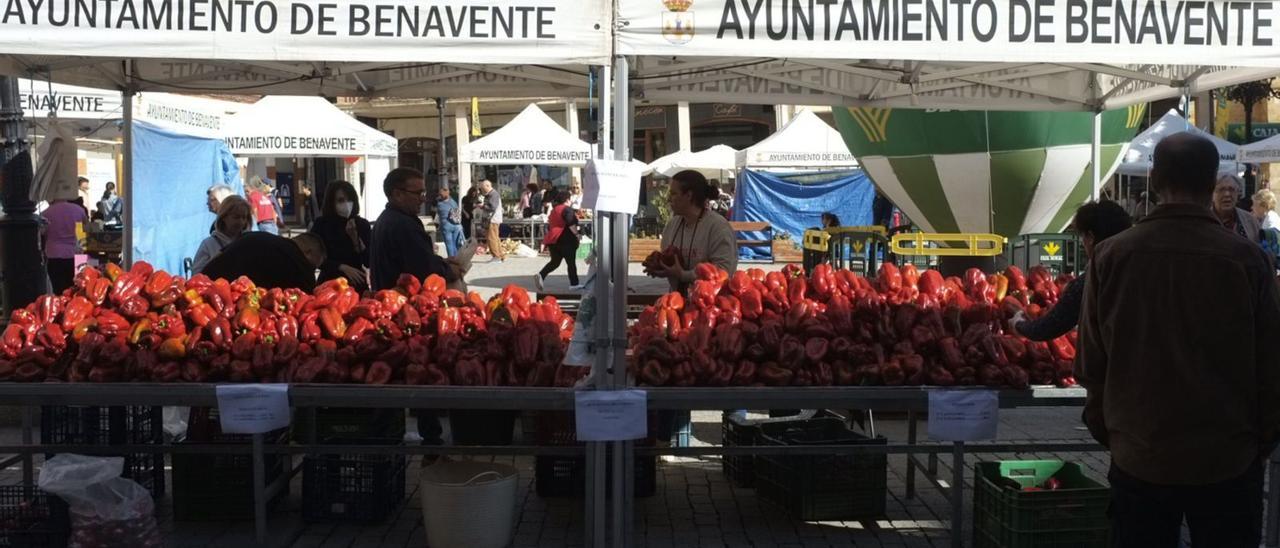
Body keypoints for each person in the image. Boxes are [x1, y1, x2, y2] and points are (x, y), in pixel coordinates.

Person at [1076, 132, 1280, 547]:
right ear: (1212, 184)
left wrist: (1111, 429)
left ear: (1153, 180)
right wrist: (1261, 438)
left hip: (1140, 450)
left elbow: (1091, 363)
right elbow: (1272, 363)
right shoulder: (1250, 261)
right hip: (1228, 454)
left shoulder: (1111, 256)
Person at [370, 167, 464, 449]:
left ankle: (398, 432)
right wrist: (447, 268)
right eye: (417, 192)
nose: (422, 198)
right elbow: (423, 267)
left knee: (400, 373)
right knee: (417, 371)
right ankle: (429, 439)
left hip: (393, 306)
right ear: (397, 194)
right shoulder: (402, 224)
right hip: (407, 310)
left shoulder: (388, 220)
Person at [1009, 201, 1131, 341]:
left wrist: (1018, 323)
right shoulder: (1141, 271)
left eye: (1083, 237)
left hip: (1111, 361)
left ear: (1090, 238)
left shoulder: (1091, 281)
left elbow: (1047, 328)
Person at [652, 170, 738, 293]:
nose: (669, 199)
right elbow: (668, 261)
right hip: (676, 303)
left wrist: (684, 275)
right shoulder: (672, 225)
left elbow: (723, 272)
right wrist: (660, 268)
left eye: (673, 193)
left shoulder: (718, 227)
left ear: (689, 195)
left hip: (709, 306)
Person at [202, 232, 326, 291]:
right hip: (225, 304)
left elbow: (219, 255)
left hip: (202, 286)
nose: (312, 269)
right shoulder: (301, 266)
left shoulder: (256, 235)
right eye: (314, 266)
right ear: (308, 252)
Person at [307, 180, 371, 293]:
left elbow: (369, 260)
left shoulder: (362, 224)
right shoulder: (322, 224)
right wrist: (340, 267)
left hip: (356, 283)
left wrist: (355, 238)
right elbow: (313, 257)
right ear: (332, 202)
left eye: (349, 200)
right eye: (341, 200)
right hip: (329, 284)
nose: (346, 204)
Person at [534, 189, 581, 291]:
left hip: (553, 240)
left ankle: (541, 274)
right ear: (567, 199)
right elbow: (570, 223)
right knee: (571, 263)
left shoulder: (554, 210)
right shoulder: (567, 209)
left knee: (555, 262)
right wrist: (577, 235)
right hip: (566, 240)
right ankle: (574, 284)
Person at [192, 195, 252, 274]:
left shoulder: (249, 242)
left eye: (244, 217)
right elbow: (197, 275)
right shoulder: (208, 244)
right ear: (224, 217)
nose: (241, 222)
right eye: (236, 217)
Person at [41, 197, 88, 293]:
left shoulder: (45, 213)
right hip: (77, 253)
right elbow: (84, 231)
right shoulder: (79, 209)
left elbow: (42, 234)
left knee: (58, 289)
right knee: (79, 288)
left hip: (54, 254)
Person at [1213, 174, 1260, 243]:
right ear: (1212, 194)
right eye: (1221, 189)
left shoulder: (1251, 221)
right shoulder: (1204, 219)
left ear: (1238, 194)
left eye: (1231, 189)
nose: (1227, 194)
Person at [477, 179, 506, 261]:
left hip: (493, 219)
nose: (482, 189)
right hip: (491, 219)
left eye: (483, 187)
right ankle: (500, 255)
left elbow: (492, 207)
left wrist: (482, 206)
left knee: (491, 238)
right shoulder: (490, 194)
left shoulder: (494, 194)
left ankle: (496, 256)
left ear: (487, 186)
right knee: (495, 238)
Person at [435, 187, 465, 258]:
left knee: (449, 244)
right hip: (456, 225)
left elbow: (438, 214)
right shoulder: (454, 202)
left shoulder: (440, 204)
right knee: (455, 244)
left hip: (446, 226)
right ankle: (457, 259)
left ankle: (452, 260)